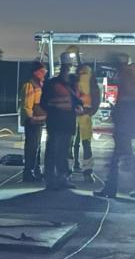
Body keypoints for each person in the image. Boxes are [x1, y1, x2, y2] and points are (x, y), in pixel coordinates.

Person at [96, 58, 135, 199]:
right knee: (124, 159)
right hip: (126, 127)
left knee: (124, 159)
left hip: (123, 128)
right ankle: (113, 187)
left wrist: (118, 120)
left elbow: (125, 106)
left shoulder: (126, 80)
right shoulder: (130, 78)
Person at [41, 61, 81, 189]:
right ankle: (51, 179)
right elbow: (44, 103)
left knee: (63, 152)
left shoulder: (71, 86)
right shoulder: (52, 84)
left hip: (66, 124)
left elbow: (76, 102)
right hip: (56, 123)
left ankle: (62, 178)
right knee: (53, 151)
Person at [20, 62, 48, 181]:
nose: (44, 74)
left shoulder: (40, 85)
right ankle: (28, 172)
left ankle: (35, 170)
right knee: (32, 147)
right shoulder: (29, 85)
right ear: (35, 72)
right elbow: (27, 104)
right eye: (42, 71)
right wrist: (30, 117)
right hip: (32, 121)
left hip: (39, 120)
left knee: (36, 146)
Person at [71, 62, 97, 182]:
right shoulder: (92, 81)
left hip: (77, 114)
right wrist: (91, 111)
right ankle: (87, 171)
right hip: (85, 114)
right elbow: (97, 97)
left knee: (72, 143)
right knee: (85, 144)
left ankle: (70, 168)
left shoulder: (75, 79)